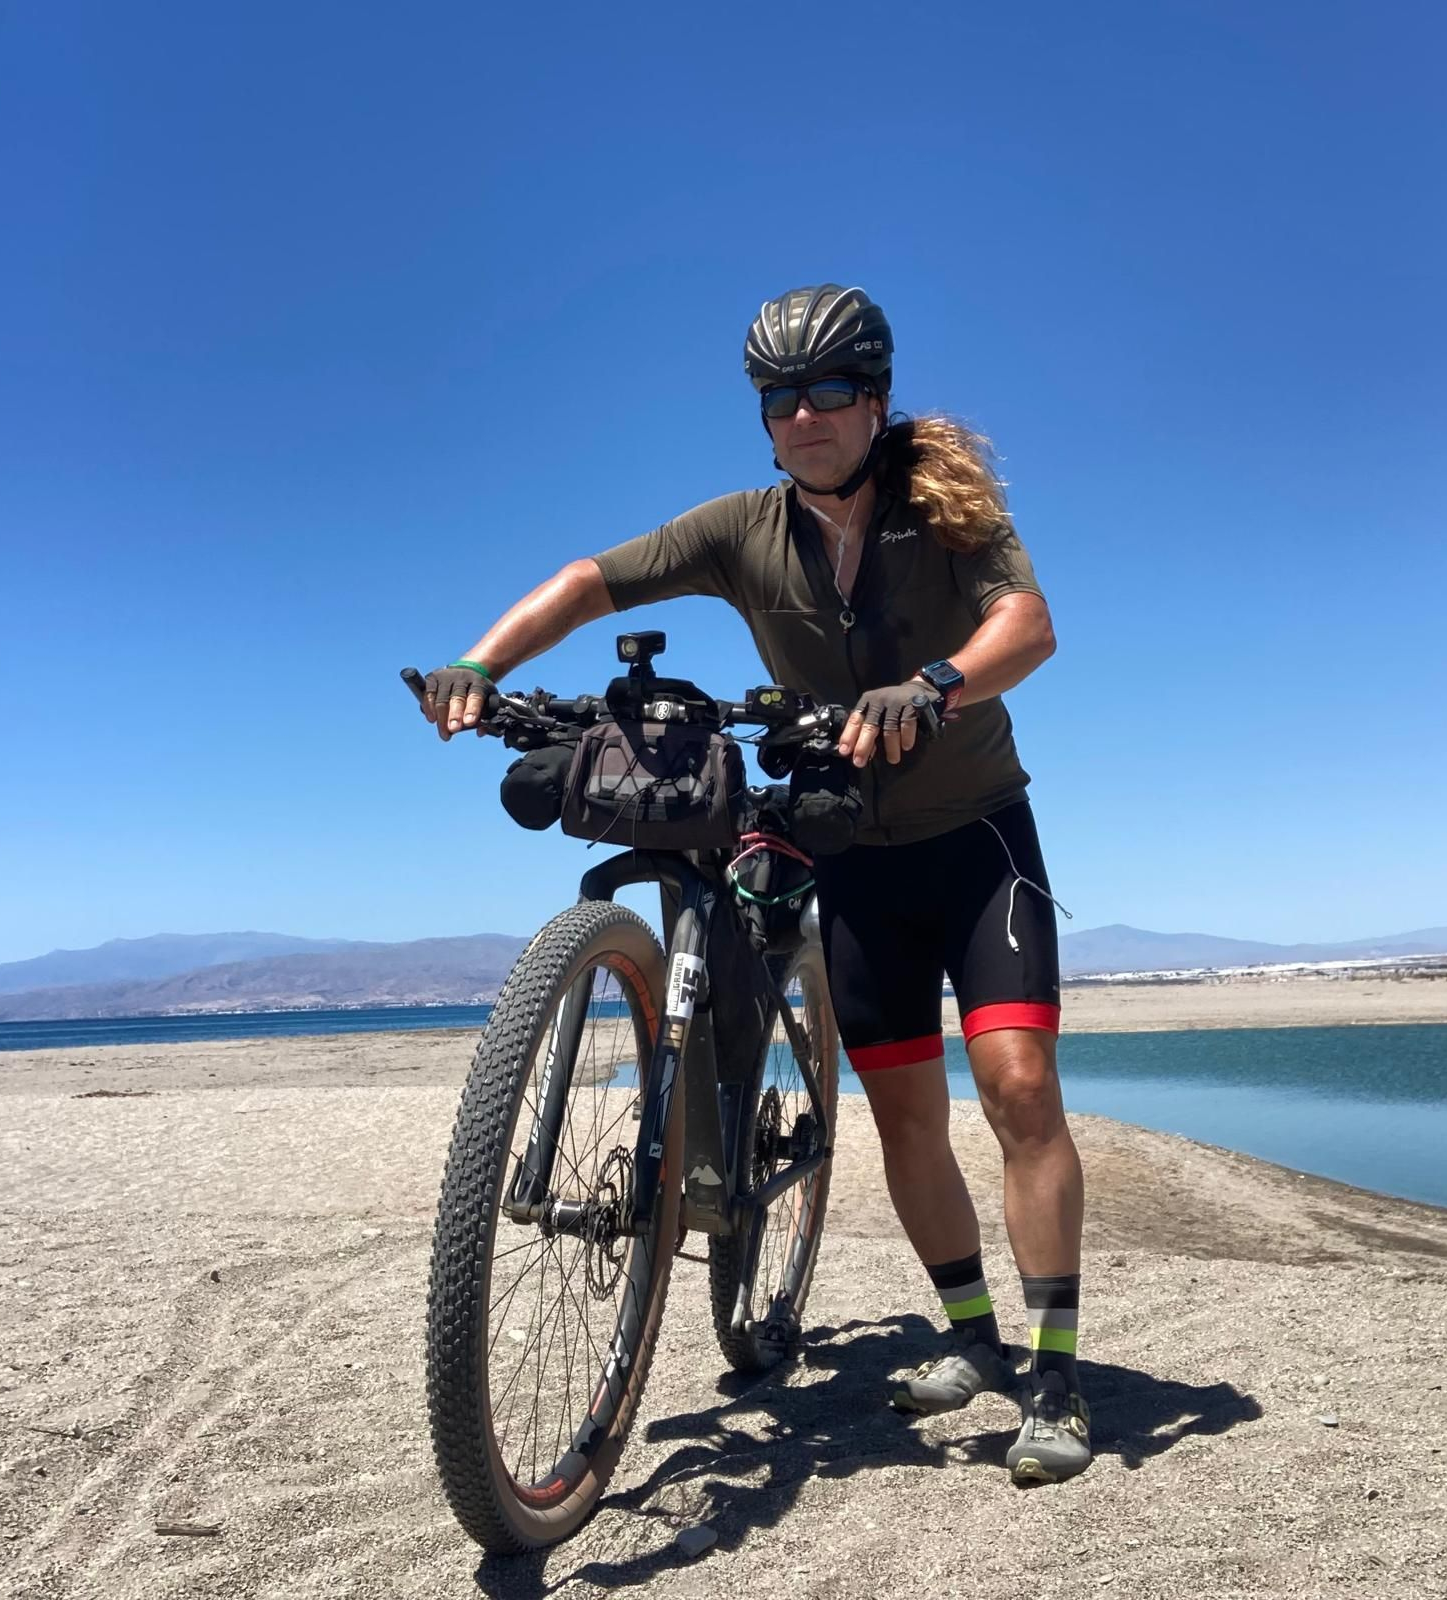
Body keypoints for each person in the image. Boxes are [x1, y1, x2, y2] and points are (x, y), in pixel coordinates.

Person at [420, 284, 1090, 1485]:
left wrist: (933, 687)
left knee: (1019, 1087)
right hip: (854, 859)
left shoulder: (948, 512)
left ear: (873, 401)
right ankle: (974, 1342)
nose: (804, 416)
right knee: (902, 1116)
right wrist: (481, 661)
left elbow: (1028, 628)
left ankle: (1053, 1375)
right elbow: (590, 579)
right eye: (780, 398)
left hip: (976, 838)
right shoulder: (745, 529)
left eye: (829, 391)